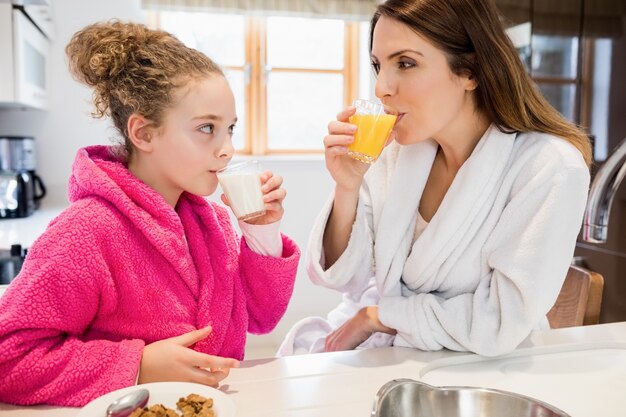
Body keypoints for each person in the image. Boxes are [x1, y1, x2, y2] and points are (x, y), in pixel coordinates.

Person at [0, 21, 300, 406]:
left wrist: (262, 235)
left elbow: (262, 319)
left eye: (230, 129)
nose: (227, 149)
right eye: (207, 128)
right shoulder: (86, 233)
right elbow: (10, 357)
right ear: (142, 134)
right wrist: (137, 366)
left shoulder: (213, 224)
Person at [279, 0, 591, 357]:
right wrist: (346, 186)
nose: (381, 87)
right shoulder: (398, 152)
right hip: (394, 358)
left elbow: (498, 322)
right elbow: (345, 278)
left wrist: (379, 316)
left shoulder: (548, 168)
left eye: (406, 63)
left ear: (470, 71)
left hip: (479, 370)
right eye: (378, 65)